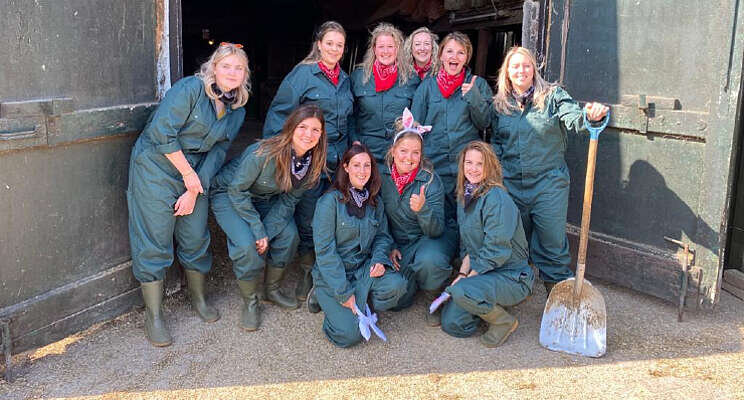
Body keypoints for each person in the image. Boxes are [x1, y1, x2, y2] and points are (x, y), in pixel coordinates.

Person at [127, 42, 250, 346]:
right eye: (226, 66)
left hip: (195, 174)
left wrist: (195, 187)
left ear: (245, 74)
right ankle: (154, 316)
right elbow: (161, 133)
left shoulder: (238, 109)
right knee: (155, 238)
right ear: (213, 68)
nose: (232, 73)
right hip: (157, 167)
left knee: (195, 237)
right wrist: (187, 176)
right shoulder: (190, 90)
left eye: (238, 68)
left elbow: (220, 148)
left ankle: (198, 298)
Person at [490, 46, 609, 292]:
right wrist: (499, 171)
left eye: (526, 65)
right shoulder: (501, 105)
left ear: (534, 68)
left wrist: (591, 116)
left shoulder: (553, 97)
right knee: (512, 241)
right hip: (512, 184)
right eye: (515, 67)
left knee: (552, 246)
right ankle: (513, 293)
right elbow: (497, 142)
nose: (521, 70)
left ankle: (557, 303)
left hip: (548, 184)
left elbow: (576, 119)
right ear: (507, 73)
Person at [210, 105, 327, 331]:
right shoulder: (263, 153)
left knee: (289, 236)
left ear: (322, 134)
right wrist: (258, 230)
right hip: (231, 194)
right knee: (247, 246)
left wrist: (267, 231)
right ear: (291, 128)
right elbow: (236, 191)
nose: (308, 134)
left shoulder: (312, 163)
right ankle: (251, 301)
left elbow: (289, 201)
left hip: (264, 198)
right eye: (302, 127)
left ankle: (271, 290)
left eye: (316, 130)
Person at [262, 21, 353, 305]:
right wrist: (286, 154)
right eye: (330, 43)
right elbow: (279, 115)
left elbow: (348, 121)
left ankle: (324, 272)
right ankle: (305, 273)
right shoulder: (302, 75)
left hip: (339, 160)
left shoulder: (345, 79)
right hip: (312, 158)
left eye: (339, 45)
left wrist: (352, 152)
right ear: (319, 44)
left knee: (335, 215)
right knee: (308, 216)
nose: (335, 49)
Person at [311, 144, 407, 348]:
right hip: (334, 275)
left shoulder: (374, 202)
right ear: (345, 167)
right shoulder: (330, 202)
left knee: (396, 285)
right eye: (356, 165)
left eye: (367, 166)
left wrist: (379, 260)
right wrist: (343, 292)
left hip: (363, 270)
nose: (362, 171)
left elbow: (383, 237)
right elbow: (325, 252)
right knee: (349, 336)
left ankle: (360, 302)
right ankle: (325, 299)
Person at [440, 141, 534, 347]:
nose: (472, 169)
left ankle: (503, 321)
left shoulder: (496, 198)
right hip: (485, 273)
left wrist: (466, 284)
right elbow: (468, 248)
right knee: (452, 323)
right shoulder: (465, 195)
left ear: (489, 166)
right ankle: (484, 303)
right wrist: (462, 275)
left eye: (479, 164)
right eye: (468, 162)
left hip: (511, 276)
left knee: (462, 291)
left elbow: (496, 251)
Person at [379, 109, 455, 326]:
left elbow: (436, 230)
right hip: (402, 243)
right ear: (393, 151)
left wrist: (422, 209)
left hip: (430, 239)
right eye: (403, 151)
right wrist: (390, 245)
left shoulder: (430, 181)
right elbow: (379, 219)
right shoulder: (383, 178)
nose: (409, 158)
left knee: (429, 260)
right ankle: (416, 280)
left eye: (415, 153)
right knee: (398, 301)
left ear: (421, 155)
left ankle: (433, 297)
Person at [410, 31, 493, 218]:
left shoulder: (477, 84)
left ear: (467, 58)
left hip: (466, 167)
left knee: (467, 217)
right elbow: (414, 128)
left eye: (460, 53)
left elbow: (485, 123)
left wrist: (474, 98)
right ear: (440, 56)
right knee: (440, 218)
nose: (454, 57)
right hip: (434, 165)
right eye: (449, 52)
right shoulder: (427, 87)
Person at [350, 23, 419, 162]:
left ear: (397, 48)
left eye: (390, 47)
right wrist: (354, 141)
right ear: (374, 49)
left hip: (398, 153)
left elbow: (418, 115)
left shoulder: (411, 78)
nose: (386, 51)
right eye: (381, 47)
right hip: (365, 151)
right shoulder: (359, 76)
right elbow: (349, 114)